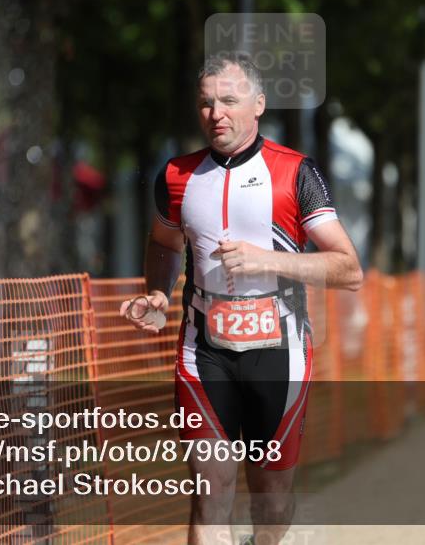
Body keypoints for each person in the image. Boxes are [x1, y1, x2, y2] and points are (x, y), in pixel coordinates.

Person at [119, 54, 362, 545]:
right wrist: (156, 294)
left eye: (229, 101)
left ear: (258, 105)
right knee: (211, 493)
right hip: (203, 352)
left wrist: (268, 261)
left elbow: (348, 269)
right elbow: (163, 245)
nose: (216, 113)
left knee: (270, 500)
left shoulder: (295, 173)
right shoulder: (176, 176)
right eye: (206, 103)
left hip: (280, 352)